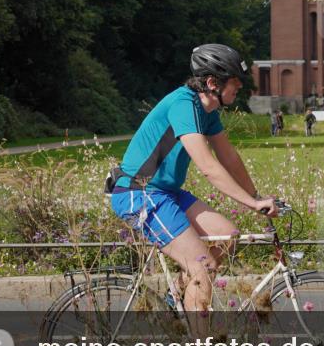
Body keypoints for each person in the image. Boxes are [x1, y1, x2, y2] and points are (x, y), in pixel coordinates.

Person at [106, 43, 279, 318]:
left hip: (165, 192)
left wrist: (256, 198)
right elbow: (208, 166)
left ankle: (177, 299)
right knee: (204, 265)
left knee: (228, 236)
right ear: (212, 83)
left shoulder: (207, 111)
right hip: (138, 193)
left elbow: (229, 158)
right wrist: (250, 203)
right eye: (235, 82)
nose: (239, 88)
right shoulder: (183, 105)